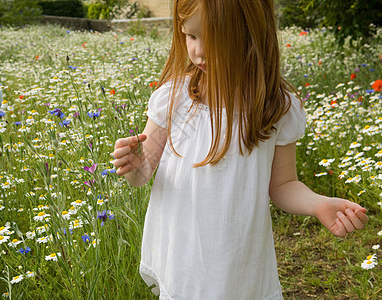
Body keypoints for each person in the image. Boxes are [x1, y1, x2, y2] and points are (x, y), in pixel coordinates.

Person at [112, 0, 369, 299]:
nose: (199, 51)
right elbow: (144, 173)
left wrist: (317, 204)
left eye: (215, 38)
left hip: (238, 262)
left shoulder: (275, 106)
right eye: (190, 36)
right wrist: (134, 164)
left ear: (251, 35)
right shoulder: (173, 98)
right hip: (183, 257)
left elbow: (284, 185)